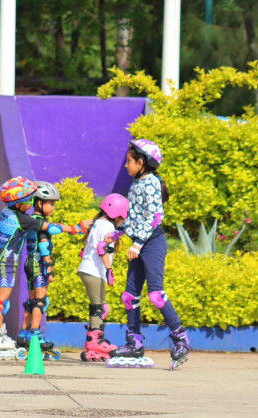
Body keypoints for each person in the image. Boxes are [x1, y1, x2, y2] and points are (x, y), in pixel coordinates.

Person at [108, 139, 190, 369]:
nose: (125, 166)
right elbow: (135, 217)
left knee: (156, 295)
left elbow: (155, 217)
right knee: (129, 296)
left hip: (152, 243)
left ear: (141, 162)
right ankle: (134, 342)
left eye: (129, 161)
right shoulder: (137, 183)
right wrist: (117, 234)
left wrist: (138, 244)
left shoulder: (151, 182)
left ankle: (180, 339)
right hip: (140, 242)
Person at [17, 181, 90, 355]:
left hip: (29, 263)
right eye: (51, 203)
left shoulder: (31, 220)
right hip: (38, 264)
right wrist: (49, 267)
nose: (54, 207)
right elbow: (44, 245)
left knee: (31, 301)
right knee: (40, 301)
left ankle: (24, 335)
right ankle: (36, 336)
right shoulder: (40, 222)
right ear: (39, 203)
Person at [78, 193, 128, 362]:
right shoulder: (108, 228)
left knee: (100, 307)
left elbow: (87, 247)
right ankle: (95, 343)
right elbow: (102, 249)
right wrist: (109, 269)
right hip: (95, 271)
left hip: (88, 269)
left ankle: (95, 340)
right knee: (98, 308)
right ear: (118, 214)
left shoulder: (98, 223)